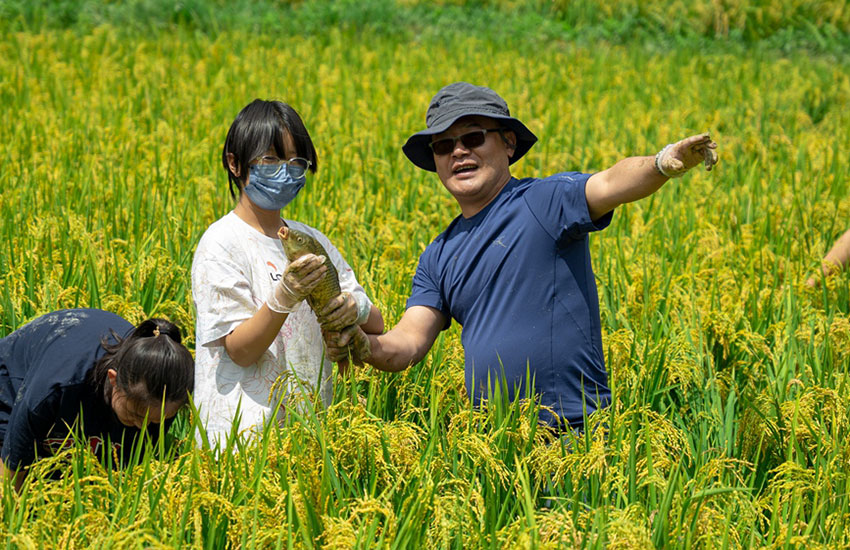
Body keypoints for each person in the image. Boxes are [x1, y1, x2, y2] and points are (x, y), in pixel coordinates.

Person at [327, 82, 718, 430]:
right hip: (494, 442)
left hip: (574, 434)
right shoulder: (438, 255)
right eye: (444, 146)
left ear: (509, 143)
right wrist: (364, 344)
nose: (459, 151)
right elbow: (409, 342)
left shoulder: (545, 202)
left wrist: (661, 163)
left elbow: (611, 182)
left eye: (473, 137)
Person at [191, 99, 384, 445]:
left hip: (308, 437)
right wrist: (285, 296)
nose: (284, 171)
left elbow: (377, 323)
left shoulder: (310, 240)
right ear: (234, 163)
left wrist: (354, 308)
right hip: (243, 443)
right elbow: (241, 351)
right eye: (270, 159)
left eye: (296, 162)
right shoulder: (221, 243)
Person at [0, 308, 194, 491]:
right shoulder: (58, 386)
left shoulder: (165, 397)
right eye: (135, 414)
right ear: (114, 379)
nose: (142, 426)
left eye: (154, 421)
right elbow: (10, 474)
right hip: (10, 385)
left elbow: (125, 472)